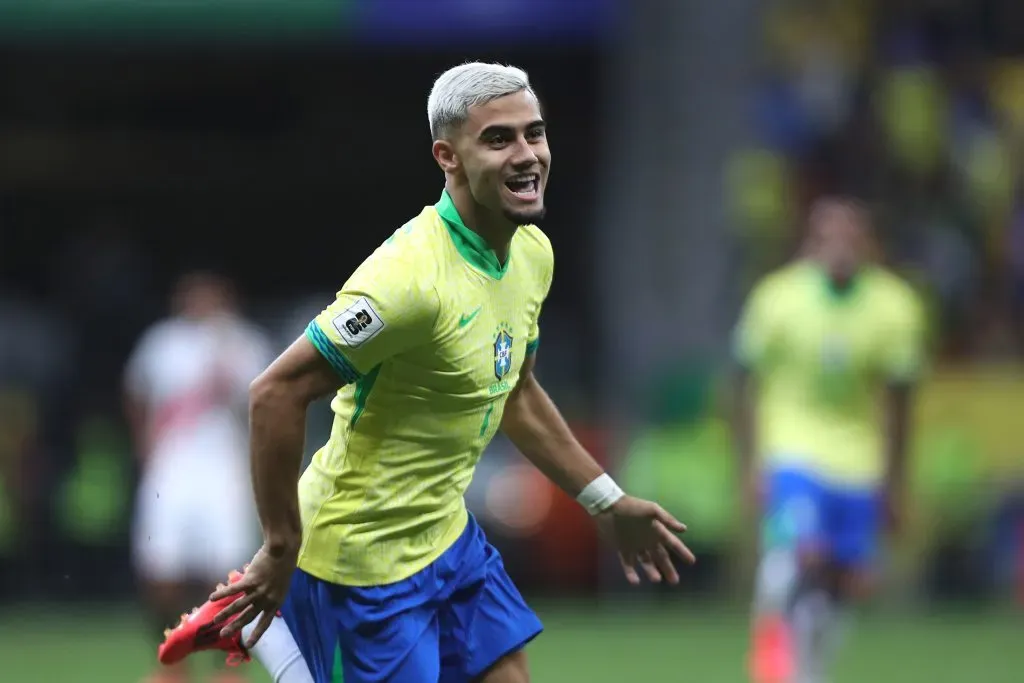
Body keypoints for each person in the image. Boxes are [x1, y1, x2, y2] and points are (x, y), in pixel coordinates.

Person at [159, 62, 696, 683]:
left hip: (449, 537)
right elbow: (274, 393)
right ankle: (284, 634)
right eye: (499, 139)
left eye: (535, 133)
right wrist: (282, 545)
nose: (527, 155)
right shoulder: (407, 281)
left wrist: (605, 500)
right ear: (449, 156)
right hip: (363, 562)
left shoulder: (532, 253)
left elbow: (515, 391)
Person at [732, 198, 925, 683]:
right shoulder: (776, 299)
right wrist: (752, 462)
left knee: (843, 584)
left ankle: (808, 671)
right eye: (827, 236)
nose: (838, 247)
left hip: (858, 463)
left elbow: (901, 402)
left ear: (866, 243)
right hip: (793, 452)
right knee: (800, 556)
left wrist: (895, 481)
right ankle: (772, 654)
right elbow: (745, 383)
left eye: (849, 236)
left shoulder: (894, 307)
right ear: (810, 242)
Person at [125, 272, 272, 683]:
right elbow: (135, 393)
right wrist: (145, 445)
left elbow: (264, 403)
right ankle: (170, 663)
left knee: (225, 571)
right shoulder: (163, 342)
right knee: (161, 570)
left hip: (224, 467)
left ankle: (223, 667)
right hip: (171, 468)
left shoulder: (246, 342)